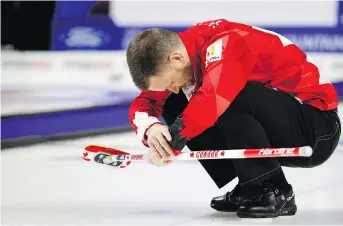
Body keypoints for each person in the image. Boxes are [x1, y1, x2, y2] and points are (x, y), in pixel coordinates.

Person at [125, 19, 341, 218]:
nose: (173, 88)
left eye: (171, 81)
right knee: (175, 102)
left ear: (177, 58)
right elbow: (144, 104)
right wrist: (151, 130)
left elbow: (214, 99)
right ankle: (250, 183)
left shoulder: (225, 41)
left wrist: (170, 144)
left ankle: (273, 189)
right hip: (282, 119)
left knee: (228, 95)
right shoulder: (179, 58)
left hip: (316, 129)